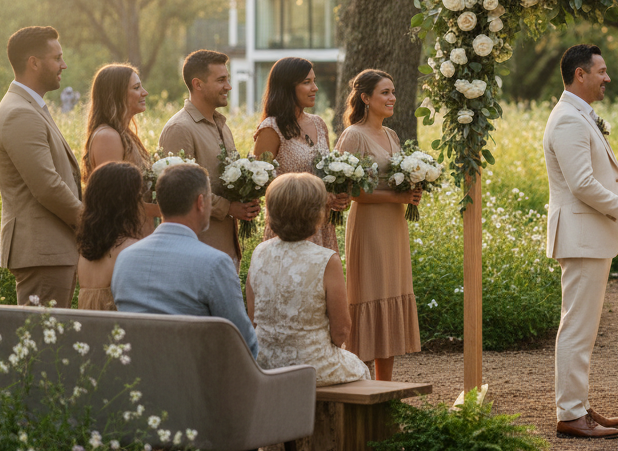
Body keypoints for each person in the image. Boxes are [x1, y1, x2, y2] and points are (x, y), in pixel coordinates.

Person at [111, 164, 268, 451]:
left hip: (135, 391)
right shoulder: (213, 263)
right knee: (252, 375)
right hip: (196, 402)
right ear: (201, 202)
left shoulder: (125, 260)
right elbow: (244, 341)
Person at [544, 44, 618, 439]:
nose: (607, 77)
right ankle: (570, 414)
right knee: (576, 327)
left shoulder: (578, 116)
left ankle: (578, 405)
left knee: (583, 326)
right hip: (580, 236)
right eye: (602, 71)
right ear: (581, 74)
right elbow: (583, 185)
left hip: (587, 236)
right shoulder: (568, 121)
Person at [247, 172, 370, 451]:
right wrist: (326, 345)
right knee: (360, 372)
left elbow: (252, 316)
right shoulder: (325, 259)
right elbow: (342, 329)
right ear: (318, 214)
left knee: (319, 374)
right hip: (311, 364)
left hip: (268, 364)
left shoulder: (259, 253)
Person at [334, 70, 422, 381]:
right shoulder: (353, 136)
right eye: (385, 92)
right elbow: (350, 192)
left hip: (394, 228)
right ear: (365, 98)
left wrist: (413, 189)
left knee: (391, 296)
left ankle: (386, 388)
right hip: (369, 227)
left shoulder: (392, 135)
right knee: (369, 296)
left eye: (393, 91)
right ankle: (362, 385)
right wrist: (397, 196)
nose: (392, 98)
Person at [0, 26, 82, 308]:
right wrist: (89, 221)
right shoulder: (20, 113)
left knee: (48, 345)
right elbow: (47, 186)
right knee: (43, 346)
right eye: (57, 58)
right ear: (34, 62)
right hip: (43, 252)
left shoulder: (30, 107)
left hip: (51, 251)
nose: (63, 65)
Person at [159, 50, 259, 269]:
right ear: (198, 84)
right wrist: (229, 207)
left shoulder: (222, 124)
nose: (229, 87)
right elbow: (181, 192)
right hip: (197, 251)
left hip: (226, 247)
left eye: (228, 79)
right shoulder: (179, 129)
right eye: (221, 80)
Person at [254, 57, 347, 253]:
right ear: (287, 87)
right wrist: (318, 196)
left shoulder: (319, 124)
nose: (315, 88)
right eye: (307, 82)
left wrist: (338, 196)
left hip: (321, 225)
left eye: (314, 81)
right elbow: (262, 182)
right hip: (289, 227)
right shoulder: (271, 128)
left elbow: (326, 173)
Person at [83, 63, 159, 237]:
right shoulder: (107, 137)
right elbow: (114, 201)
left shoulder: (124, 133)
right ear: (115, 94)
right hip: (121, 239)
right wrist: (162, 210)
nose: (144, 92)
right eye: (136, 87)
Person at [74, 163, 145, 311]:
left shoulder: (86, 251)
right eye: (139, 196)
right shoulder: (131, 249)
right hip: (115, 330)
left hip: (88, 330)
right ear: (127, 202)